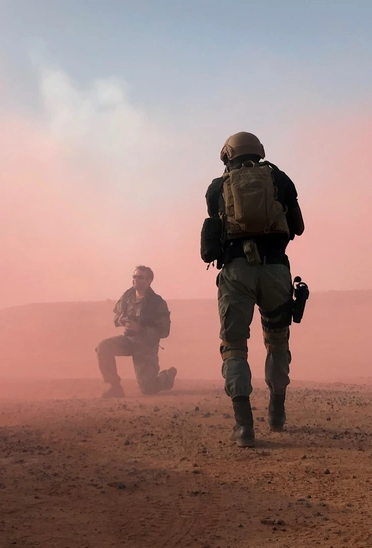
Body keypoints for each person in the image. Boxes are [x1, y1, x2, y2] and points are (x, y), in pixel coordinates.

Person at [202, 131, 305, 447]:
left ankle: (244, 426)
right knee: (277, 339)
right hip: (275, 270)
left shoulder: (218, 187)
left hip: (237, 273)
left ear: (227, 156)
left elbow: (210, 245)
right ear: (259, 151)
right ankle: (277, 410)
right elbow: (298, 227)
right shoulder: (281, 179)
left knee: (234, 345)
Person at [96, 266, 177, 398]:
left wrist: (141, 329)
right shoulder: (127, 296)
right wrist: (121, 321)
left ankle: (167, 376)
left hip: (146, 345)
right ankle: (115, 387)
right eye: (134, 277)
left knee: (148, 389)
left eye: (140, 277)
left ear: (149, 280)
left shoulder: (157, 302)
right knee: (103, 347)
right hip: (128, 340)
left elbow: (164, 331)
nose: (135, 280)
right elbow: (116, 315)